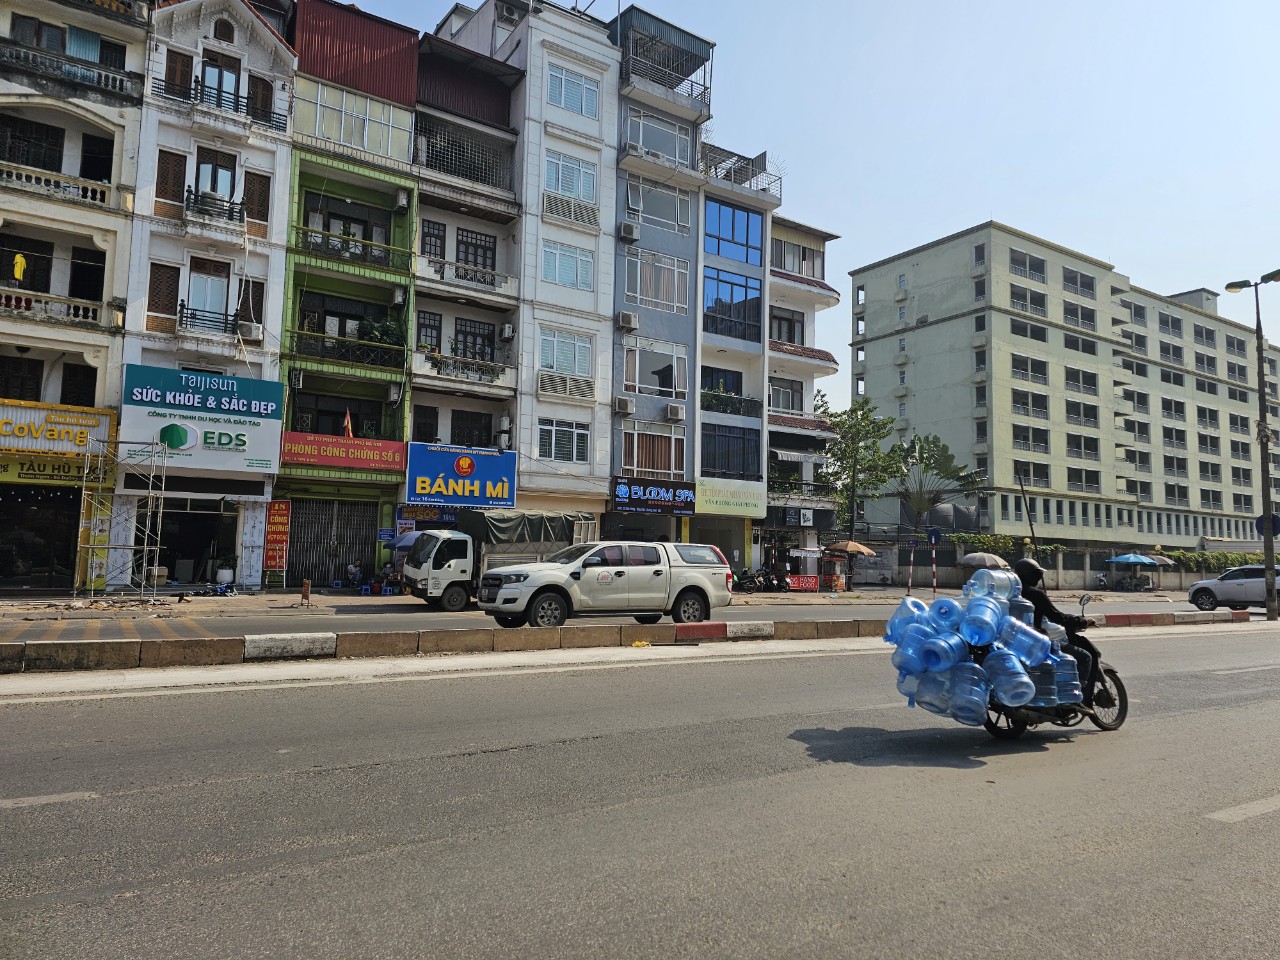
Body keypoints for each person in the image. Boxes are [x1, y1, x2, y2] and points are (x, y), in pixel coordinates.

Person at [1012, 557, 1101, 708]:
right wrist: (1082, 621)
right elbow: (1057, 617)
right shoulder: (1035, 594)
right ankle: (1078, 697)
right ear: (1033, 576)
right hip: (1037, 642)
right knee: (1086, 656)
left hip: (1014, 641)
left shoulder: (1011, 594)